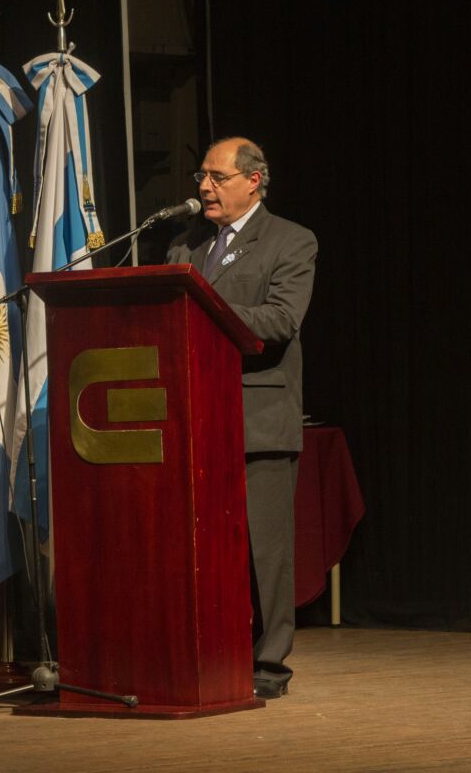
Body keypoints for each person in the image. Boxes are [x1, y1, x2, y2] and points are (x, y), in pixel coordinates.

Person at [166, 136, 317, 699]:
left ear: (254, 180)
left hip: (258, 419)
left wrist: (202, 305)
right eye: (201, 176)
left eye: (216, 177)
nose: (204, 187)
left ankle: (269, 665)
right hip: (193, 423)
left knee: (264, 552)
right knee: (198, 550)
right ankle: (207, 654)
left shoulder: (290, 240)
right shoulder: (184, 247)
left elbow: (280, 319)